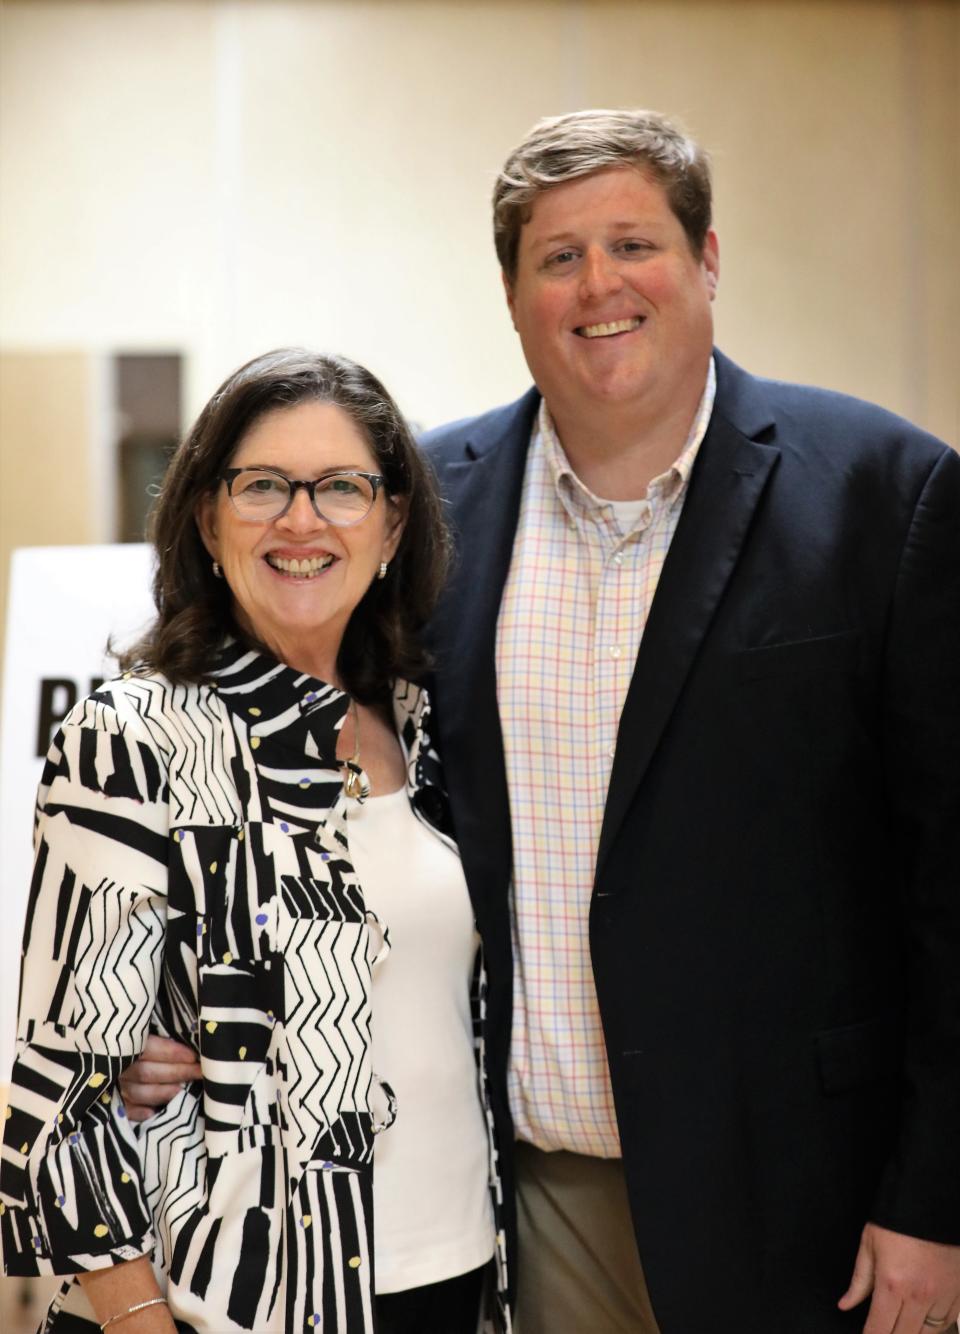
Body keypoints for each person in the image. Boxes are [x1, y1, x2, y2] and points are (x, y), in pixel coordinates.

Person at [116, 110, 960, 1334]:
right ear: (511, 291)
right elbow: (297, 779)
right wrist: (175, 1009)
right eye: (558, 256)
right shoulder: (423, 507)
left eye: (635, 243)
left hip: (815, 1204)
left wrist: (934, 1194)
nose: (599, 285)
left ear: (708, 260)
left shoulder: (889, 490)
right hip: (522, 1200)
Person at [0, 350, 509, 1334]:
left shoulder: (427, 724)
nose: (302, 519)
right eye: (264, 484)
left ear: (394, 522)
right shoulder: (136, 734)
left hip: (454, 1274)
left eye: (342, 488)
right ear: (206, 514)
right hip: (230, 1302)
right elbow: (66, 1098)